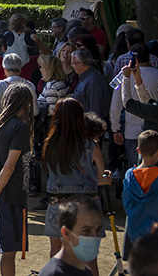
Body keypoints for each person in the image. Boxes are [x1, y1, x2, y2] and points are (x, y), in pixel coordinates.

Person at [43, 98, 109, 258]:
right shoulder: (91, 145)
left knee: (56, 252)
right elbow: (100, 175)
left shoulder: (49, 144)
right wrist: (104, 178)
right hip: (86, 204)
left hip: (57, 203)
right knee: (88, 257)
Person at [0, 83, 35, 276]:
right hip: (11, 196)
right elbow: (9, 166)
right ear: (27, 103)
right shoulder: (19, 127)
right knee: (9, 250)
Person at [123, 130, 158, 256]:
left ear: (138, 151)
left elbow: (126, 203)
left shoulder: (129, 176)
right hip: (157, 232)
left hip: (134, 231)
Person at [39, 197, 104, 276]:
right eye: (86, 231)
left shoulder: (85, 271)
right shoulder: (55, 273)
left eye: (98, 230)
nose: (95, 237)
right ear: (66, 233)